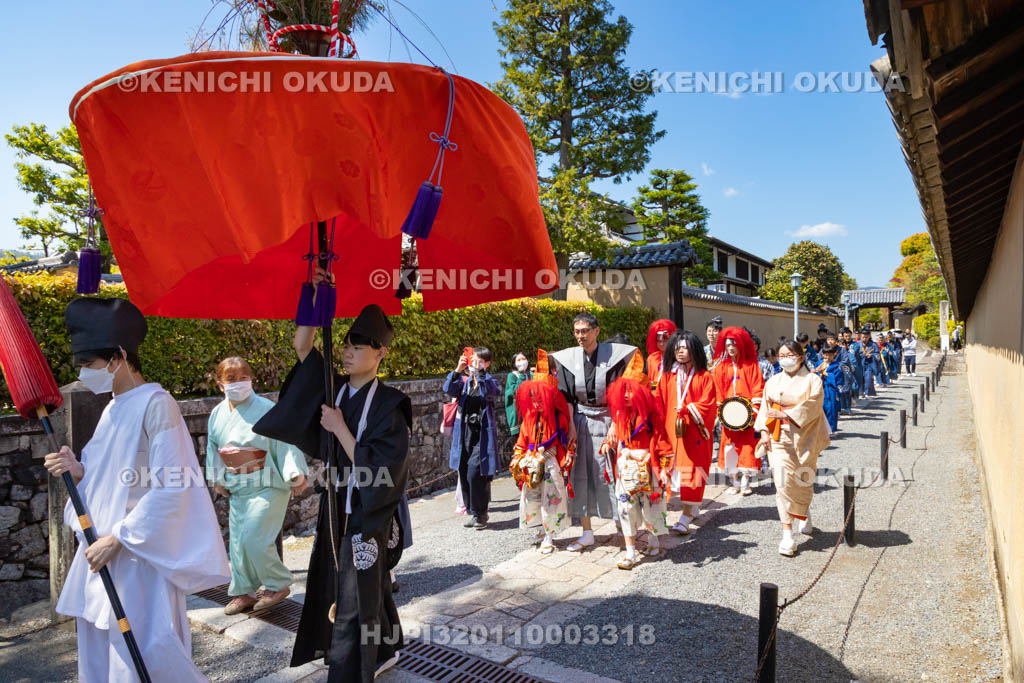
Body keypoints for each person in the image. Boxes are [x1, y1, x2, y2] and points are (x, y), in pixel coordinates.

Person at [44, 298, 230, 683]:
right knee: (101, 655)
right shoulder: (114, 406)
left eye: (90, 365)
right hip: (102, 554)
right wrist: (78, 471)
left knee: (145, 655)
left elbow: (172, 485)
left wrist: (119, 538)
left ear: (120, 357)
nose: (84, 374)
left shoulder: (157, 404)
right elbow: (109, 476)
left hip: (137, 556)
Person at [257, 303, 411, 681]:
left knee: (354, 595)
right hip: (334, 507)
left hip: (367, 511)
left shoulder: (391, 406)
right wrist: (315, 297)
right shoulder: (334, 388)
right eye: (346, 344)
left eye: (359, 346)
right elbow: (302, 347)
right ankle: (384, 647)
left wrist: (341, 429)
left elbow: (383, 470)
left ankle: (348, 673)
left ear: (381, 353)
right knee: (344, 581)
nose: (347, 352)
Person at [206, 357, 309, 615]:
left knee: (254, 539)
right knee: (238, 544)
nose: (239, 383)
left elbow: (284, 440)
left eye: (244, 377)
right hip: (238, 487)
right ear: (220, 385)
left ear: (251, 379)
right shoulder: (217, 414)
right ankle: (243, 592)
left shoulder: (265, 407)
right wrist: (218, 479)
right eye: (232, 379)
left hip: (268, 484)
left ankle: (278, 583)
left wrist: (295, 473)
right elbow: (213, 448)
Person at [550, 313, 638, 552]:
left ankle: (622, 524)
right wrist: (570, 427)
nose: (581, 335)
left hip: (609, 418)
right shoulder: (569, 360)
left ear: (597, 331)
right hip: (580, 421)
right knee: (580, 475)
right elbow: (567, 397)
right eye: (577, 331)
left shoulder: (615, 358)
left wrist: (615, 424)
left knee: (611, 473)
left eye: (585, 330)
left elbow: (620, 394)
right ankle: (586, 531)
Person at [756, 340, 830, 556]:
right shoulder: (772, 381)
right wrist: (763, 431)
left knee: (802, 480)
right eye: (781, 355)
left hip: (804, 436)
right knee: (781, 484)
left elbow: (813, 406)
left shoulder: (812, 380)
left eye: (789, 354)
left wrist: (787, 414)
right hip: (778, 438)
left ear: (800, 357)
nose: (784, 358)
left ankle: (804, 511)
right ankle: (787, 534)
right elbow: (764, 408)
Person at [601, 353, 672, 570]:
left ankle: (653, 540)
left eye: (630, 391)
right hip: (626, 465)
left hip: (648, 464)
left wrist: (665, 468)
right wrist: (607, 444)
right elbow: (615, 437)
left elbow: (663, 441)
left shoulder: (652, 415)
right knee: (625, 506)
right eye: (623, 392)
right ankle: (630, 551)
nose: (626, 396)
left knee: (651, 504)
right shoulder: (620, 414)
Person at [510, 350, 574, 554]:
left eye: (541, 397)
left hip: (550, 462)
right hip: (531, 463)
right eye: (533, 396)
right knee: (532, 498)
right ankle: (541, 529)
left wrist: (568, 456)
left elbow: (565, 441)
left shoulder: (558, 417)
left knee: (551, 500)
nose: (536, 401)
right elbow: (521, 441)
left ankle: (549, 535)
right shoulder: (528, 418)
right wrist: (517, 458)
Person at [655, 331, 717, 535]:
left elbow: (708, 404)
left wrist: (689, 408)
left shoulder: (705, 377)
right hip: (671, 432)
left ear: (695, 350)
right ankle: (687, 509)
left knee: (693, 472)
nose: (680, 352)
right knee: (669, 471)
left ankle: (686, 515)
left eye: (685, 348)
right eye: (677, 348)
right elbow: (658, 403)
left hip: (694, 432)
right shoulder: (667, 376)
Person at [445, 347, 501, 530]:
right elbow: (449, 389)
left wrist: (482, 374)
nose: (475, 364)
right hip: (465, 433)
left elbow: (492, 392)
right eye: (473, 360)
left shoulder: (489, 381)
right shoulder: (465, 381)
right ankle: (474, 512)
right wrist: (457, 370)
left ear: (487, 363)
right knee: (463, 470)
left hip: (482, 435)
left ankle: (481, 513)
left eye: (479, 361)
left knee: (475, 472)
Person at [711, 327, 765, 495]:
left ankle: (746, 481)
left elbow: (758, 387)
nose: (731, 349)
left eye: (734, 345)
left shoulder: (751, 365)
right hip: (728, 415)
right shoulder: (720, 367)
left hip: (747, 414)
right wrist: (720, 411)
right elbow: (718, 390)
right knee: (729, 447)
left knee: (748, 446)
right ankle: (734, 481)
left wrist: (754, 410)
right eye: (728, 346)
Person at [504, 352, 532, 440]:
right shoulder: (512, 376)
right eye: (519, 360)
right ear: (514, 364)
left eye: (523, 359)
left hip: (532, 416)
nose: (522, 362)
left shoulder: (531, 375)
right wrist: (521, 374)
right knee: (520, 447)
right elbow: (517, 391)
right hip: (518, 419)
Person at [815, 346, 842, 435]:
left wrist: (826, 374)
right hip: (820, 388)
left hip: (830, 389)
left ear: (834, 355)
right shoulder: (819, 363)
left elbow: (838, 379)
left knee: (831, 408)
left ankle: (831, 429)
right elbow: (814, 375)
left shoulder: (837, 365)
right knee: (820, 408)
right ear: (823, 354)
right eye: (826, 355)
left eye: (830, 355)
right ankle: (821, 429)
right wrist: (815, 371)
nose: (827, 357)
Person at [645, 319, 677, 391]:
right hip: (655, 395)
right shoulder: (652, 358)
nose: (662, 344)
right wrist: (653, 391)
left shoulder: (677, 358)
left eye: (665, 340)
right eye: (659, 341)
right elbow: (651, 379)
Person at [858, 329, 881, 397]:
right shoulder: (857, 344)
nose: (864, 339)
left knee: (868, 379)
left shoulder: (873, 345)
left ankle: (867, 392)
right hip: (860, 364)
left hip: (869, 364)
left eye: (866, 337)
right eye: (863, 337)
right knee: (860, 379)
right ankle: (861, 392)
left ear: (869, 336)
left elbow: (878, 355)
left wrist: (872, 355)